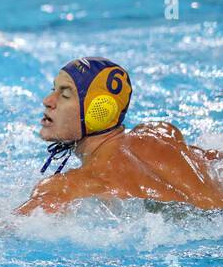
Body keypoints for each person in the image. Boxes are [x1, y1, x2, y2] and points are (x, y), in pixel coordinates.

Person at [17, 57, 223, 215]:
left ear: (99, 111)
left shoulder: (68, 186)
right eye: (54, 90)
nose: (48, 100)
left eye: (64, 94)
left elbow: (4, 231)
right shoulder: (161, 134)